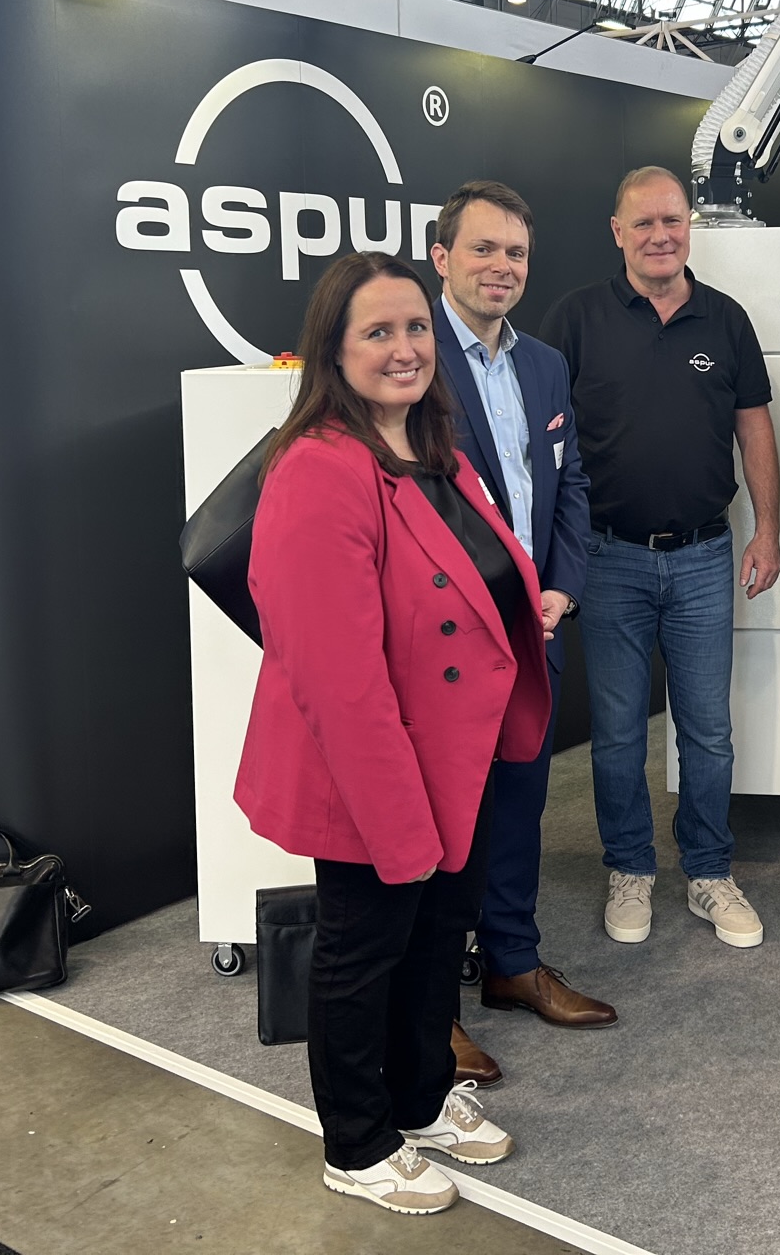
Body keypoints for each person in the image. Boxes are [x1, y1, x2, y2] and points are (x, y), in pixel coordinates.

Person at [234, 252, 552, 1216]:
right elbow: (338, 680)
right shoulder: (318, 470)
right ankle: (358, 1140)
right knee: (362, 949)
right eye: (377, 332)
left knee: (436, 937)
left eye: (416, 327)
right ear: (334, 350)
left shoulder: (431, 449)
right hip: (369, 764)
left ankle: (419, 1098)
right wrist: (396, 812)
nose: (405, 348)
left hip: (455, 754)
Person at [542, 165, 780, 950]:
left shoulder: (726, 320)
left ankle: (709, 872)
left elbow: (754, 428)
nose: (659, 235)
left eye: (672, 220)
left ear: (689, 228)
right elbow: (545, 439)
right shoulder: (576, 319)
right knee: (616, 733)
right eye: (643, 223)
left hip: (705, 557)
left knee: (707, 730)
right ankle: (630, 869)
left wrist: (768, 530)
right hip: (608, 557)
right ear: (618, 232)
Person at [428, 181, 612, 1092]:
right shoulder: (408, 358)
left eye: (516, 253)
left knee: (520, 804)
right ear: (441, 258)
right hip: (448, 641)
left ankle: (511, 961)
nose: (502, 267)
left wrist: (562, 588)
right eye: (484, 249)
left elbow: (568, 484)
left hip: (535, 632)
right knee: (443, 824)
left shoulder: (542, 364)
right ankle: (432, 1007)